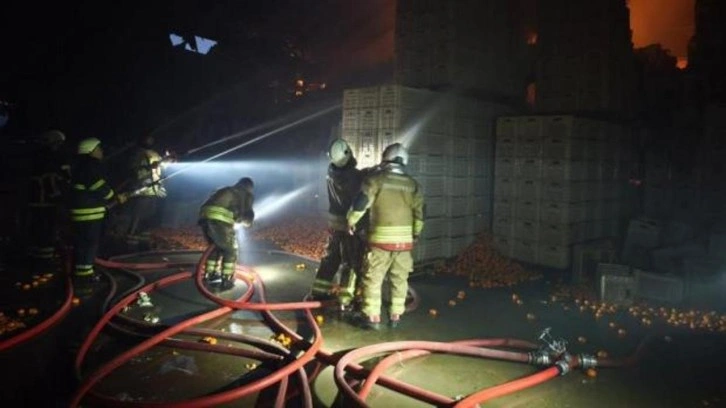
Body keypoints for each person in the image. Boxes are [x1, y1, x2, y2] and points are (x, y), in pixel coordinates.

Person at [346, 143, 424, 330]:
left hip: (380, 242)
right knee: (400, 280)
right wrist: (415, 234)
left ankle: (372, 317)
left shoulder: (375, 180)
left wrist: (351, 221)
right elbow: (420, 214)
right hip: (404, 243)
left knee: (373, 279)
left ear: (385, 158)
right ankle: (396, 316)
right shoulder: (413, 185)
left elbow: (360, 204)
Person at [311, 139, 370, 312]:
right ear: (347, 153)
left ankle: (318, 291)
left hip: (334, 223)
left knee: (331, 258)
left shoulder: (331, 173)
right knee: (350, 261)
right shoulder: (354, 176)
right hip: (349, 224)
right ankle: (345, 299)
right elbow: (359, 192)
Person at [69, 137, 127, 282]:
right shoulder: (91, 166)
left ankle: (81, 271)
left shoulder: (79, 165)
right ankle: (85, 275)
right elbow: (98, 185)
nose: (101, 151)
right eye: (98, 149)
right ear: (91, 150)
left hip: (81, 211)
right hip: (90, 213)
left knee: (82, 243)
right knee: (89, 243)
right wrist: (114, 196)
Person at [198, 177, 255, 290]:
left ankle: (210, 274)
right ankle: (227, 279)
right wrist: (248, 222)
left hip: (204, 217)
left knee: (215, 247)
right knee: (230, 249)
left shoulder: (227, 189)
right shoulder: (246, 193)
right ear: (249, 187)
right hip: (220, 220)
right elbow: (246, 214)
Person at [26, 129, 71, 262]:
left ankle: (36, 257)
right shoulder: (50, 158)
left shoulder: (39, 157)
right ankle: (44, 259)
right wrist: (58, 197)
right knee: (46, 230)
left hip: (37, 200)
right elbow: (50, 180)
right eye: (59, 143)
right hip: (45, 201)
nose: (60, 147)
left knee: (38, 229)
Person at [124, 134, 167, 248]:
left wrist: (168, 160)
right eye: (147, 138)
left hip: (153, 190)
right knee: (137, 217)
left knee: (148, 218)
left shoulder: (155, 154)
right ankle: (130, 244)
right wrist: (147, 168)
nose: (150, 140)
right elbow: (133, 170)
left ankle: (143, 243)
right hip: (141, 191)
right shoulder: (137, 154)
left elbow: (161, 168)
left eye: (151, 139)